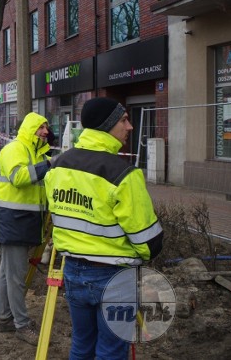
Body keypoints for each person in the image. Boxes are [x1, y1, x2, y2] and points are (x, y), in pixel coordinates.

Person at [44, 97, 164, 359]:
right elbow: (147, 241)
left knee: (81, 345)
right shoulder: (124, 174)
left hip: (73, 272)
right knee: (111, 352)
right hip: (114, 277)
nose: (129, 127)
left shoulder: (58, 166)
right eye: (123, 120)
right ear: (106, 126)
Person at [0, 112, 51, 345]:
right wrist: (47, 165)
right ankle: (21, 325)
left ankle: (4, 319)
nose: (46, 131)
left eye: (46, 127)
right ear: (30, 129)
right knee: (15, 277)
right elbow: (19, 177)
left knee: (7, 274)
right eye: (41, 127)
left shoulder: (34, 152)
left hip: (21, 221)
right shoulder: (15, 149)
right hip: (13, 221)